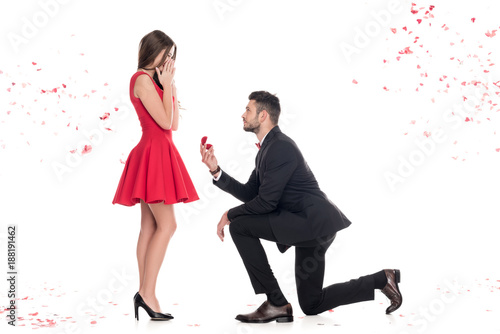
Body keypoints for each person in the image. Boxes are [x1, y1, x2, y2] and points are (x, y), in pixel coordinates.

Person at [199, 91, 402, 323]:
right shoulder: (267, 149)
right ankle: (383, 279)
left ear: (263, 115)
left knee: (240, 226)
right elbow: (250, 194)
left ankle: (276, 302)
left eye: (247, 110)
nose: (242, 115)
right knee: (311, 303)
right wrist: (216, 171)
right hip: (311, 228)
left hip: (312, 222)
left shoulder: (280, 147)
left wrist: (229, 215)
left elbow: (267, 203)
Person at [112, 30, 199, 321]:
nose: (170, 60)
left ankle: (146, 292)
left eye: (173, 56)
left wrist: (170, 88)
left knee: (150, 228)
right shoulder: (141, 79)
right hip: (153, 153)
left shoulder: (158, 81)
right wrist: (167, 84)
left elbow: (173, 124)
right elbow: (162, 122)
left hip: (161, 151)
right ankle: (147, 293)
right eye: (167, 54)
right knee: (168, 225)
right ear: (154, 51)